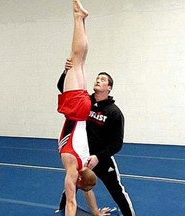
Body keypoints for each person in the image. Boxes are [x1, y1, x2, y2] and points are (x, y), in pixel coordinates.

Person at [57, 59, 136, 215]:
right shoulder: (86, 101)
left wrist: (98, 157)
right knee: (72, 185)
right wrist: (66, 72)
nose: (98, 81)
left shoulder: (114, 113)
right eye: (97, 78)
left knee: (116, 190)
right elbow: (63, 88)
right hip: (82, 155)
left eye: (103, 80)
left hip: (101, 157)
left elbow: (117, 144)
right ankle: (61, 210)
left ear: (109, 88)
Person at [57, 1, 110, 215]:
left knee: (81, 61)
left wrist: (95, 212)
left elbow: (87, 187)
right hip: (76, 110)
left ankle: (82, 19)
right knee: (76, 57)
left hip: (83, 108)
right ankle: (78, 17)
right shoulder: (73, 168)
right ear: (79, 177)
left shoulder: (86, 163)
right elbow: (71, 202)